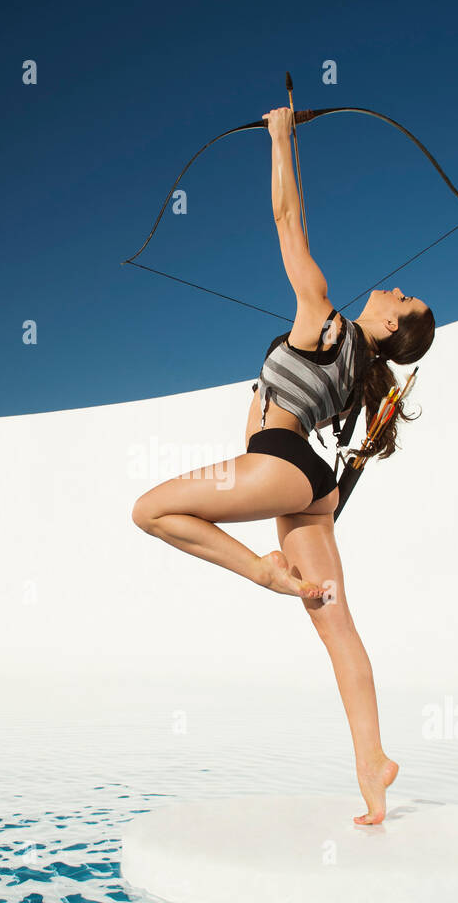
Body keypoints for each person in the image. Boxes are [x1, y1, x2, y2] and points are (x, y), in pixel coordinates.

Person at [131, 105, 436, 823]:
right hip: (310, 489)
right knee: (338, 627)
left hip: (283, 466)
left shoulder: (325, 319)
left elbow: (287, 220)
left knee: (149, 509)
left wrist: (278, 138)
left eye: (402, 296)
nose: (393, 287)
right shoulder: (357, 369)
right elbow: (262, 431)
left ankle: (264, 573)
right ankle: (373, 768)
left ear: (391, 324)